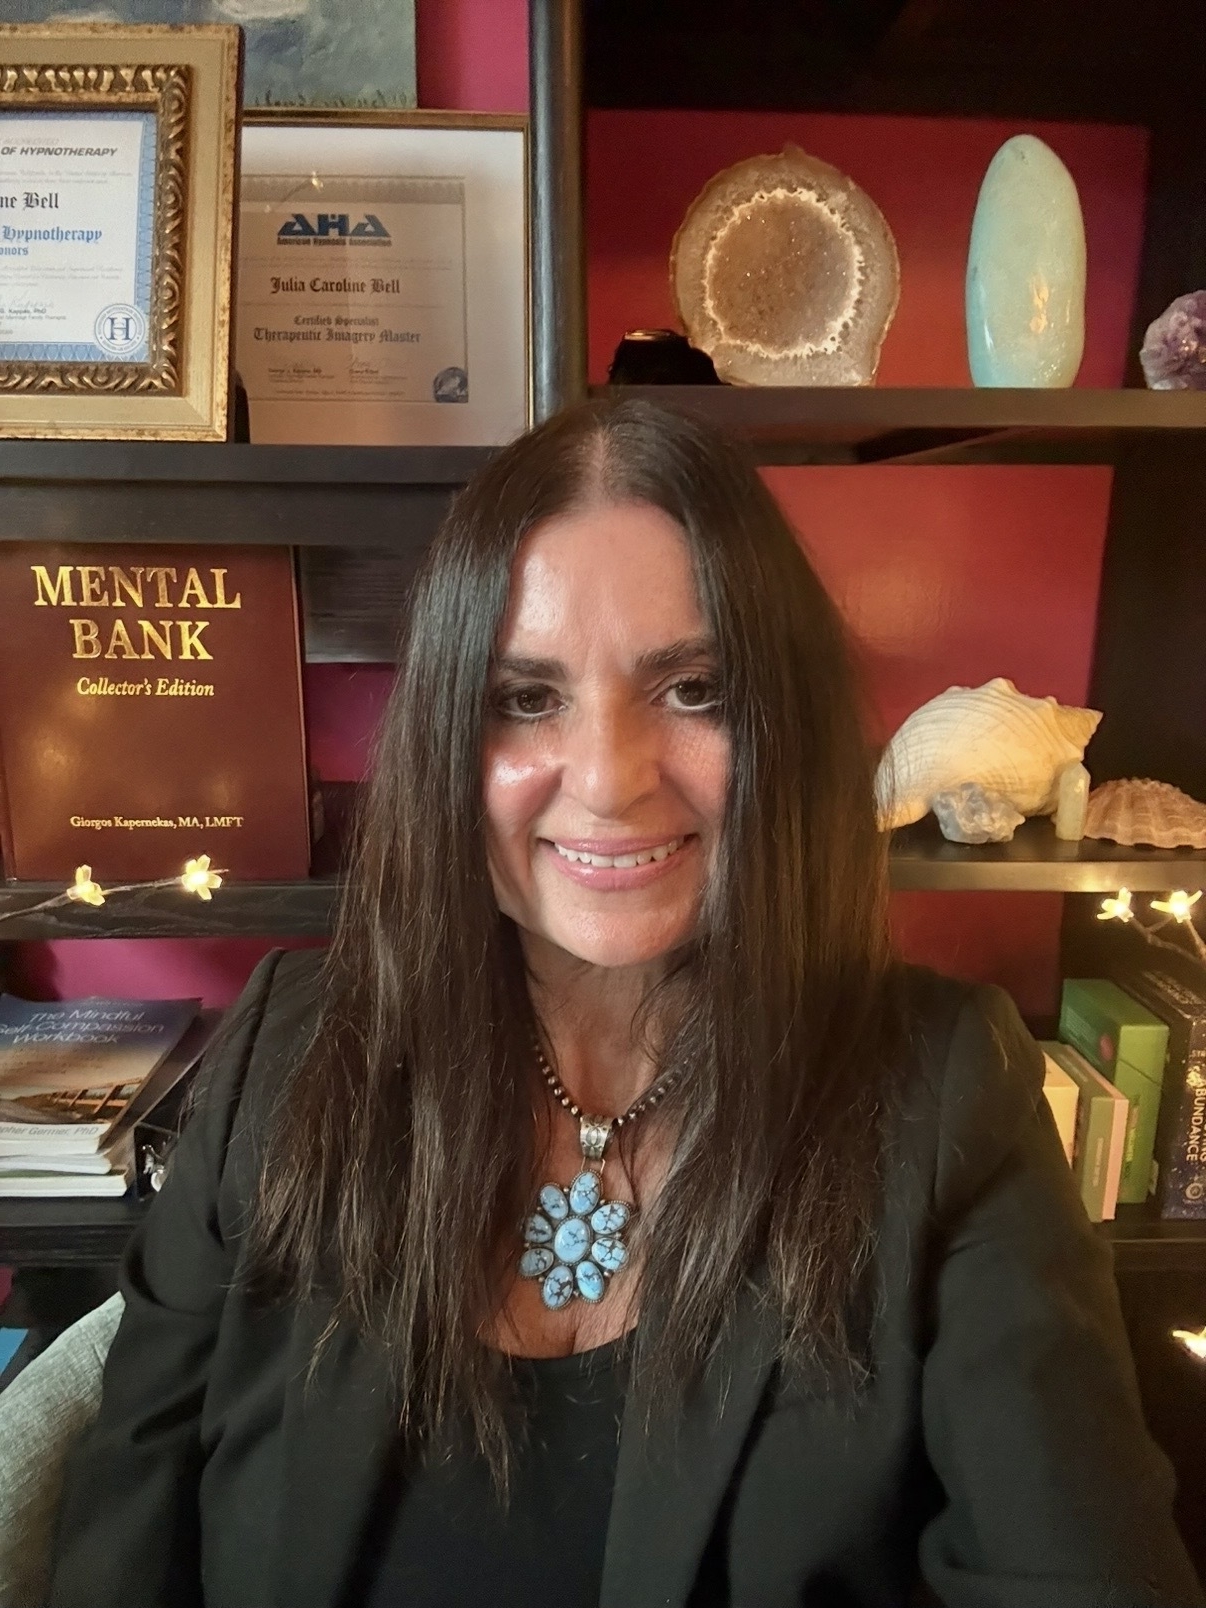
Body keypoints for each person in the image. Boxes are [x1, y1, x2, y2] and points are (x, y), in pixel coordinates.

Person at [51, 399, 1202, 1608]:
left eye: (695, 687)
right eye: (526, 697)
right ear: (449, 735)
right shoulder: (280, 1059)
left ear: (783, 724)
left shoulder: (946, 1096)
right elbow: (118, 1548)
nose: (607, 779)